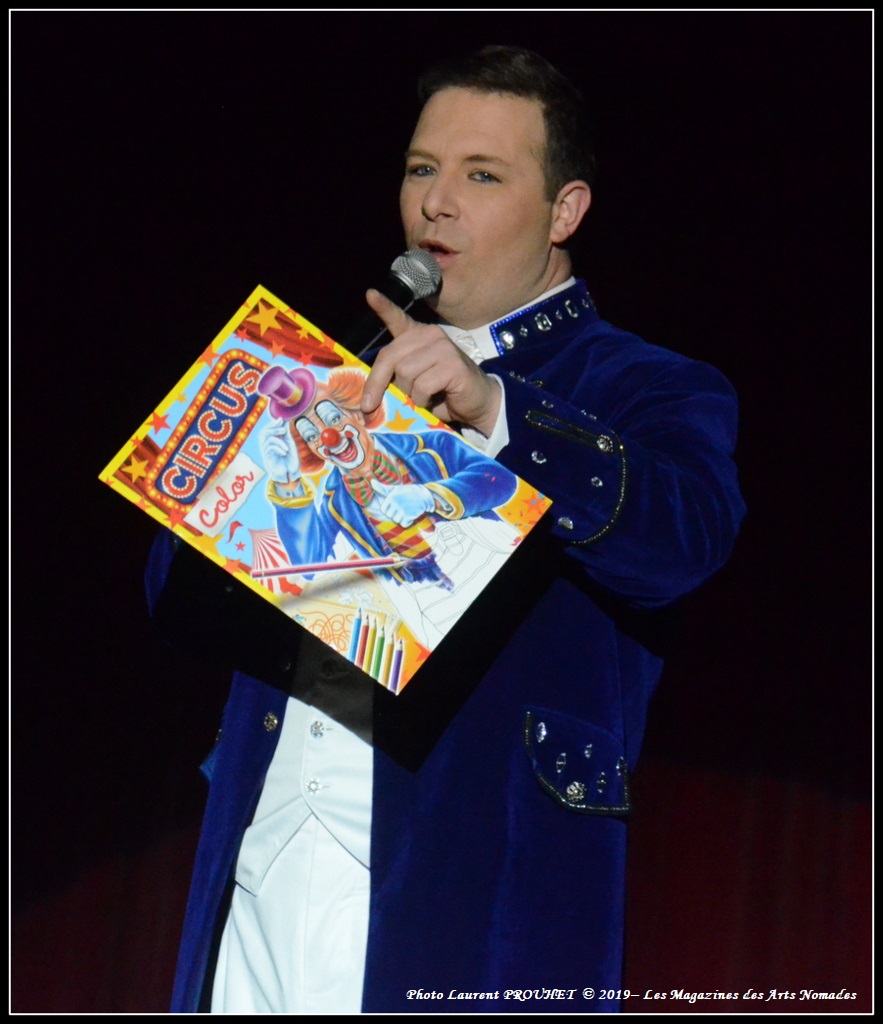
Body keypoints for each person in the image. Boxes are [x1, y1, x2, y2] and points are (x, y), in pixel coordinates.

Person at [147, 44, 745, 1013]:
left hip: (475, 882)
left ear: (564, 211)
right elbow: (172, 597)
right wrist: (226, 467)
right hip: (265, 860)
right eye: (422, 168)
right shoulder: (334, 372)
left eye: (482, 175)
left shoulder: (644, 384)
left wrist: (496, 412)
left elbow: (686, 540)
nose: (436, 203)